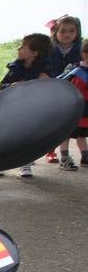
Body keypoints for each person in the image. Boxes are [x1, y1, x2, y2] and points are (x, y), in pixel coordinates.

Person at [0, 33, 53, 178]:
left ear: (34, 52)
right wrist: (12, 85)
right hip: (12, 107)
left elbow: (53, 90)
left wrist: (47, 82)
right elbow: (2, 86)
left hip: (32, 110)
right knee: (7, 137)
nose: (18, 49)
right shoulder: (15, 67)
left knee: (27, 138)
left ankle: (25, 164)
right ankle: (1, 163)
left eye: (23, 46)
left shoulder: (45, 70)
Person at [45, 15, 82, 168]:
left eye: (71, 31)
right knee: (51, 120)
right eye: (63, 31)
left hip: (74, 89)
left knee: (68, 121)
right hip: (54, 89)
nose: (67, 34)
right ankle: (50, 150)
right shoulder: (50, 50)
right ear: (55, 33)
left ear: (77, 32)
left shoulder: (80, 49)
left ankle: (67, 153)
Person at [59, 41, 88, 168]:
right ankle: (64, 157)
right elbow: (74, 90)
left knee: (82, 134)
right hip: (76, 108)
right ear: (85, 54)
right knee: (67, 134)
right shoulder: (78, 72)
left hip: (85, 110)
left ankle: (85, 156)